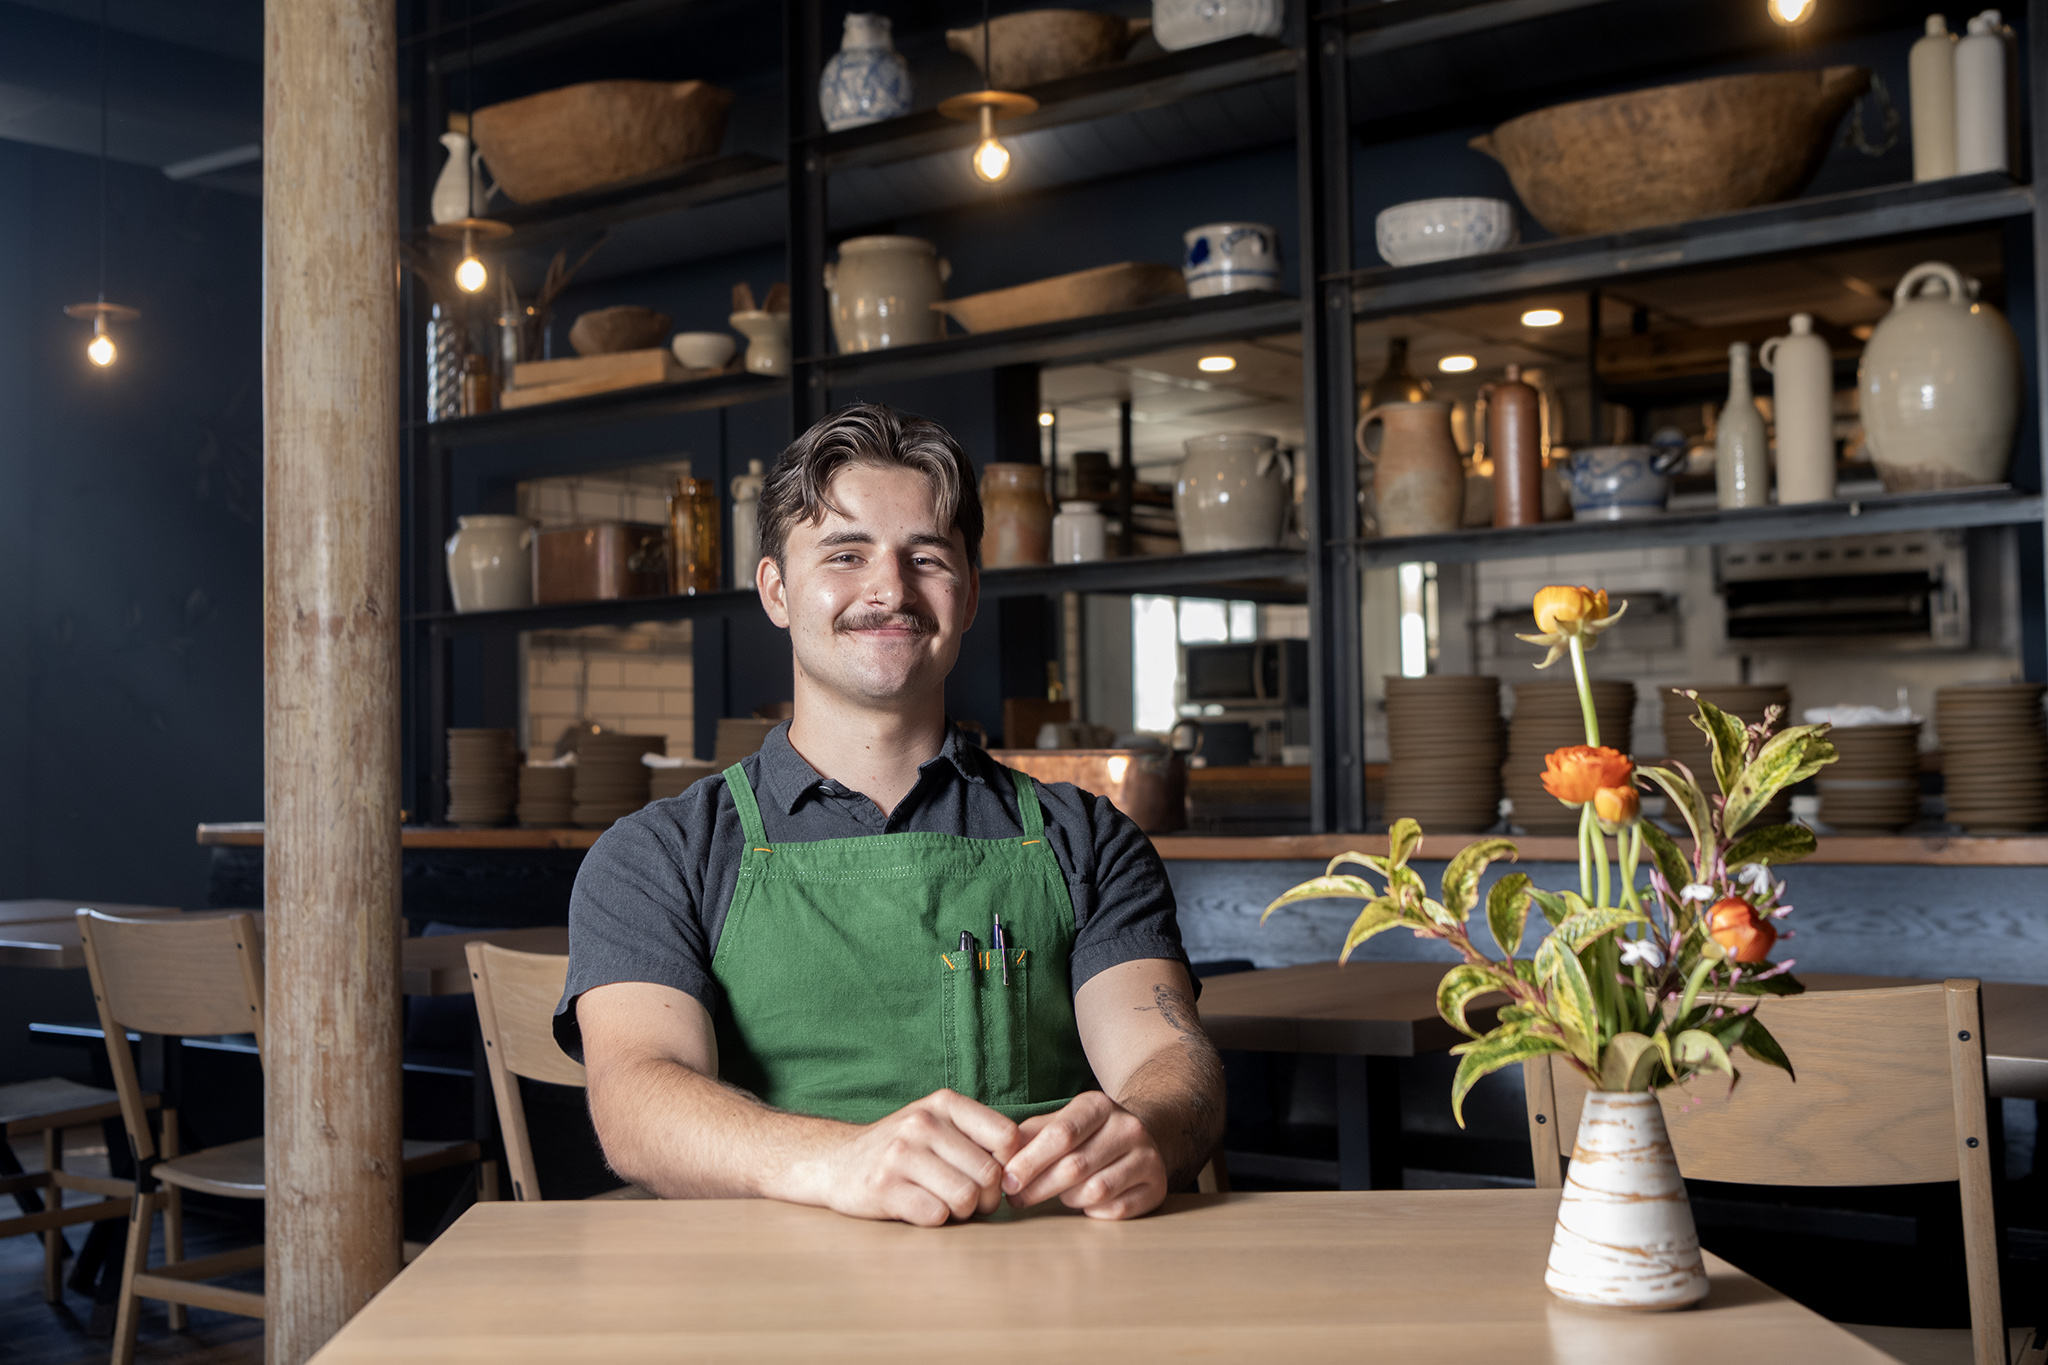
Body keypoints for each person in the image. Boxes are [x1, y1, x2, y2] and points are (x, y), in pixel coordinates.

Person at [555, 403, 1223, 1226]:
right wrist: (838, 1161)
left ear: (969, 593)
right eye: (845, 553)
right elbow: (635, 1099)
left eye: (927, 557)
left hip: (1049, 1286)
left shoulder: (1087, 840)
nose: (889, 589)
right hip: (764, 1301)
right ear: (775, 589)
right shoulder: (659, 855)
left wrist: (1144, 1129)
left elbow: (1166, 1054)